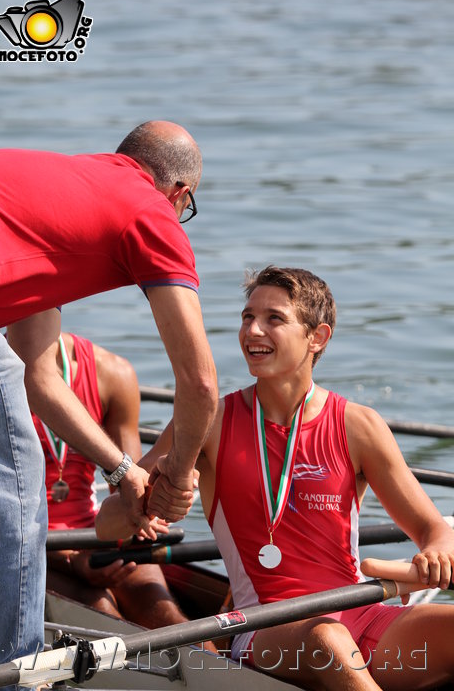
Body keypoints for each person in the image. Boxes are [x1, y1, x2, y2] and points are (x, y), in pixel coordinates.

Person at [99, 266, 454, 690]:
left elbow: (434, 530)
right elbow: (107, 524)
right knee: (327, 638)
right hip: (262, 626)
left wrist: (436, 554)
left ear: (317, 337)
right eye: (248, 317)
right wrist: (147, 505)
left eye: (274, 319)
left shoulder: (359, 426)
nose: (253, 330)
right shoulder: (208, 423)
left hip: (359, 609)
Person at [0, 121, 218, 680]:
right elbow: (201, 383)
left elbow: (40, 374)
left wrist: (125, 472)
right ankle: (6, 671)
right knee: (16, 478)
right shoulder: (149, 209)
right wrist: (178, 477)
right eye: (187, 212)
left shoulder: (51, 204)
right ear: (179, 194)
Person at [38, 331, 199, 630]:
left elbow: (132, 499)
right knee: (100, 609)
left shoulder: (112, 373)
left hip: (95, 536)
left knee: (169, 619)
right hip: (26, 543)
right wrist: (70, 561)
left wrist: (167, 487)